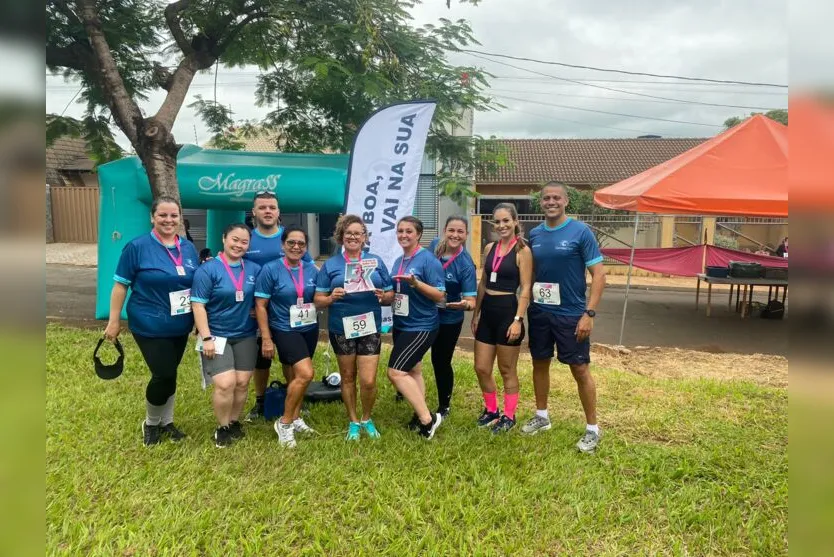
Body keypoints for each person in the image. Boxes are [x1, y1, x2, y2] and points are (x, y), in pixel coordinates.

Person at [103, 196, 200, 446]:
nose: (169, 220)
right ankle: (151, 423)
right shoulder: (137, 247)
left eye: (174, 215)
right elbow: (120, 285)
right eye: (163, 215)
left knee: (171, 373)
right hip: (149, 322)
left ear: (180, 218)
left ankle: (167, 422)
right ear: (152, 217)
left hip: (180, 322)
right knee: (163, 374)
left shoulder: (188, 248)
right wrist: (114, 321)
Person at [521, 181, 606, 453]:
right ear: (541, 202)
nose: (551, 202)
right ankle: (542, 416)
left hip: (571, 314)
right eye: (546, 198)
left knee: (579, 368)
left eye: (556, 198)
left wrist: (589, 313)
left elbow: (600, 275)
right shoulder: (534, 235)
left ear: (566, 201)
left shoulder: (580, 232)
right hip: (541, 312)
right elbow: (530, 273)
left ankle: (593, 429)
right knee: (540, 362)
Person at [314, 215, 394, 440]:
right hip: (341, 326)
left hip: (369, 325)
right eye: (348, 233)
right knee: (348, 377)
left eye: (357, 233)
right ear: (341, 236)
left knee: (368, 380)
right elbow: (318, 299)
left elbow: (390, 295)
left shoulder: (376, 261)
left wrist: (383, 296)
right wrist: (331, 298)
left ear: (364, 237)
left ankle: (367, 417)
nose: (353, 237)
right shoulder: (331, 264)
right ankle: (353, 421)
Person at [244, 191, 313, 422]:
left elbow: (309, 269)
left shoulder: (292, 237)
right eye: (262, 207)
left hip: (290, 312)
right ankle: (260, 400)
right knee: (261, 358)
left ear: (278, 211)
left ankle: (290, 398)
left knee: (289, 359)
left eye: (271, 207)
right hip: (256, 309)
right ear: (254, 212)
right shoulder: (246, 238)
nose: (267, 211)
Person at [191, 223, 261, 447]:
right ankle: (221, 427)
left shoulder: (253, 269)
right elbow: (198, 305)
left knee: (242, 383)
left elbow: (261, 298)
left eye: (244, 241)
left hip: (246, 334)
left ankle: (233, 421)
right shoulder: (208, 270)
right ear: (224, 239)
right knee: (225, 383)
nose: (239, 245)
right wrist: (207, 337)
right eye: (234, 239)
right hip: (216, 336)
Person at [254, 227, 319, 448]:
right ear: (283, 245)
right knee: (306, 373)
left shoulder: (311, 270)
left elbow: (319, 297)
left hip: (308, 327)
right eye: (291, 242)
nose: (296, 247)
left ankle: (297, 416)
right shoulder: (270, 270)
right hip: (284, 327)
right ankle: (285, 422)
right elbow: (261, 306)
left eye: (301, 243)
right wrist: (266, 338)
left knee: (294, 377)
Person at [471, 203, 533, 434]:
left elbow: (526, 288)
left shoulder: (522, 251)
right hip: (487, 311)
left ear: (515, 222)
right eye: (497, 221)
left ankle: (509, 415)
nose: (501, 225)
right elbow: (483, 283)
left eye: (506, 220)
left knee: (507, 369)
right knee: (481, 367)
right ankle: (491, 410)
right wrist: (476, 314)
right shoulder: (489, 248)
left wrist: (518, 319)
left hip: (508, 312)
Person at [386, 216, 446, 439]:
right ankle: (417, 413)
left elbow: (440, 295)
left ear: (419, 234)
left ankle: (428, 420)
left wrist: (416, 283)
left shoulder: (428, 260)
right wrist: (385, 295)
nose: (403, 235)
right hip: (402, 322)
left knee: (395, 372)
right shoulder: (399, 261)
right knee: (413, 370)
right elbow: (396, 292)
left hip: (422, 325)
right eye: (400, 231)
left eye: (408, 231)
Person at [427, 216, 477, 418]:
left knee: (440, 360)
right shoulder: (434, 247)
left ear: (466, 235)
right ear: (444, 230)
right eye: (451, 230)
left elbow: (471, 300)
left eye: (460, 232)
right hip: (424, 314)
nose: (455, 235)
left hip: (448, 319)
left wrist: (464, 304)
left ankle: (444, 405)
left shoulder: (465, 264)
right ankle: (403, 390)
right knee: (413, 355)